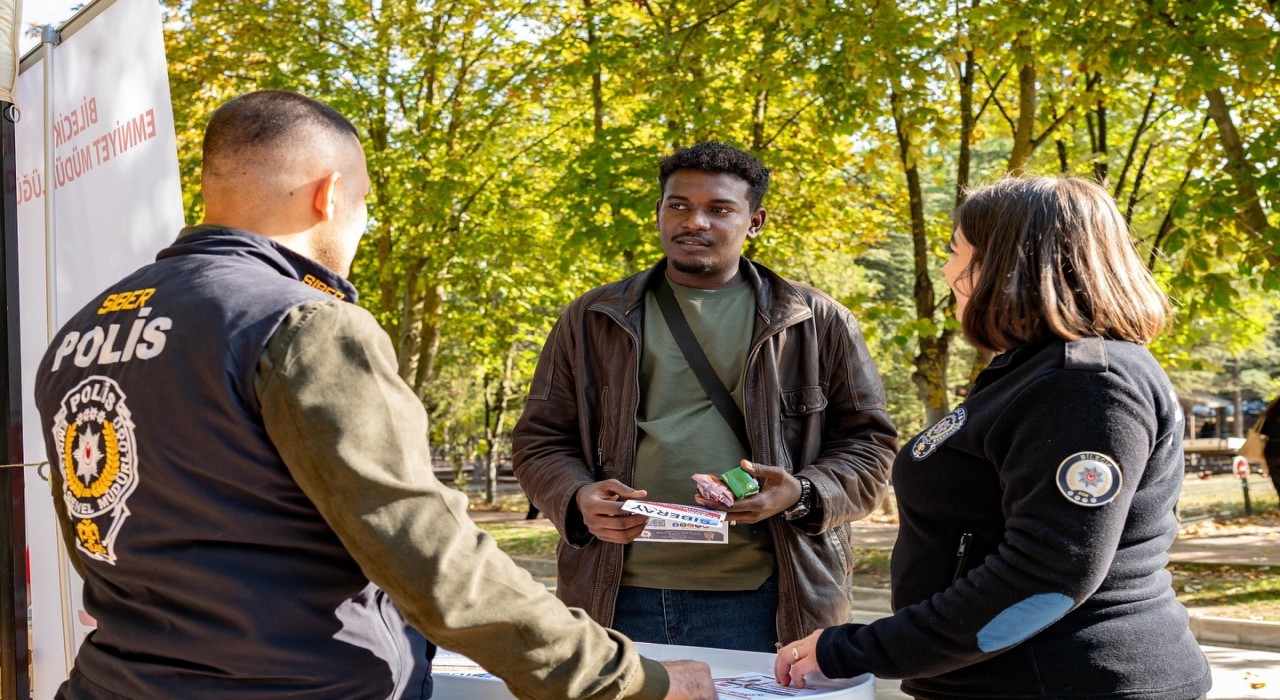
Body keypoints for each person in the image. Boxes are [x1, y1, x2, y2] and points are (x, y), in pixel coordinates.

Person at [34, 90, 714, 700]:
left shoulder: (81, 332)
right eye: (364, 202)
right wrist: (627, 680)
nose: (363, 224)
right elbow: (433, 558)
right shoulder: (303, 323)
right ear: (329, 195)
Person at [774, 176, 1212, 699]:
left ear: (1004, 263)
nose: (947, 271)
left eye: (956, 251)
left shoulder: (1085, 385)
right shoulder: (1034, 372)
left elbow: (1048, 574)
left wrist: (858, 649)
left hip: (1065, 681)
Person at [512, 141, 898, 653]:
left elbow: (870, 446)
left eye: (719, 209)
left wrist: (802, 492)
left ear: (754, 222)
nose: (695, 221)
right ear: (659, 212)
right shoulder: (591, 319)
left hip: (768, 599)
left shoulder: (816, 321)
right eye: (679, 205)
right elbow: (540, 441)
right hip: (614, 595)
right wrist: (577, 497)